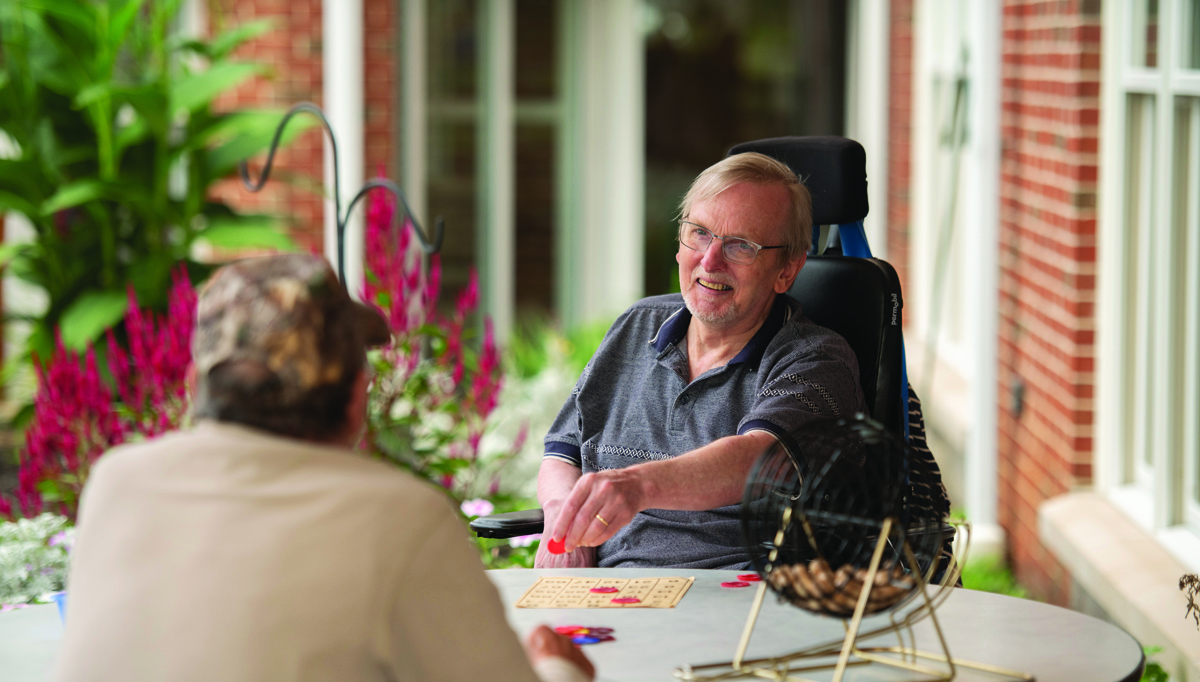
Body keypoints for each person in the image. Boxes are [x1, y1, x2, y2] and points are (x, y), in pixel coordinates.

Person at [53, 254, 593, 682]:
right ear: (357, 397)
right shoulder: (399, 516)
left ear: (196, 383)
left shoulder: (116, 482)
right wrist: (559, 667)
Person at [536, 153, 866, 569]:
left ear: (787, 269)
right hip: (615, 596)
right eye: (700, 233)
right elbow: (563, 450)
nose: (711, 261)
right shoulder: (636, 327)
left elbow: (760, 459)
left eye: (741, 245)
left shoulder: (818, 359)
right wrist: (563, 520)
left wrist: (636, 485)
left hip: (745, 604)